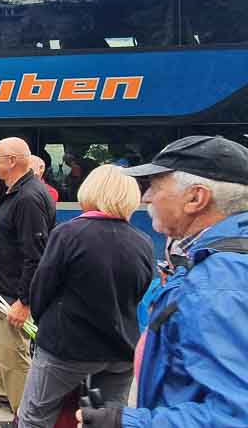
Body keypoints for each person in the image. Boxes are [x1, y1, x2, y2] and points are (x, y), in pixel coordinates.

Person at [78, 135, 248, 427]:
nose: (145, 197)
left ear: (196, 198)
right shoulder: (217, 262)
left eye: (156, 187)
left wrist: (123, 422)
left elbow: (235, 417)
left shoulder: (217, 283)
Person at [18, 165, 153, 427]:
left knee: (36, 415)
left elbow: (41, 289)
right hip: (121, 351)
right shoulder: (143, 241)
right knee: (106, 420)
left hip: (67, 347)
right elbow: (139, 293)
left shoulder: (68, 234)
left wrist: (42, 321)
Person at [0, 137, 55, 428]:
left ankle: (24, 419)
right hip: (4, 291)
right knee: (2, 349)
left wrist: (24, 302)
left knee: (15, 358)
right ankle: (5, 397)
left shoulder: (27, 198)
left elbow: (35, 256)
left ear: (11, 161)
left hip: (14, 296)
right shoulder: (18, 192)